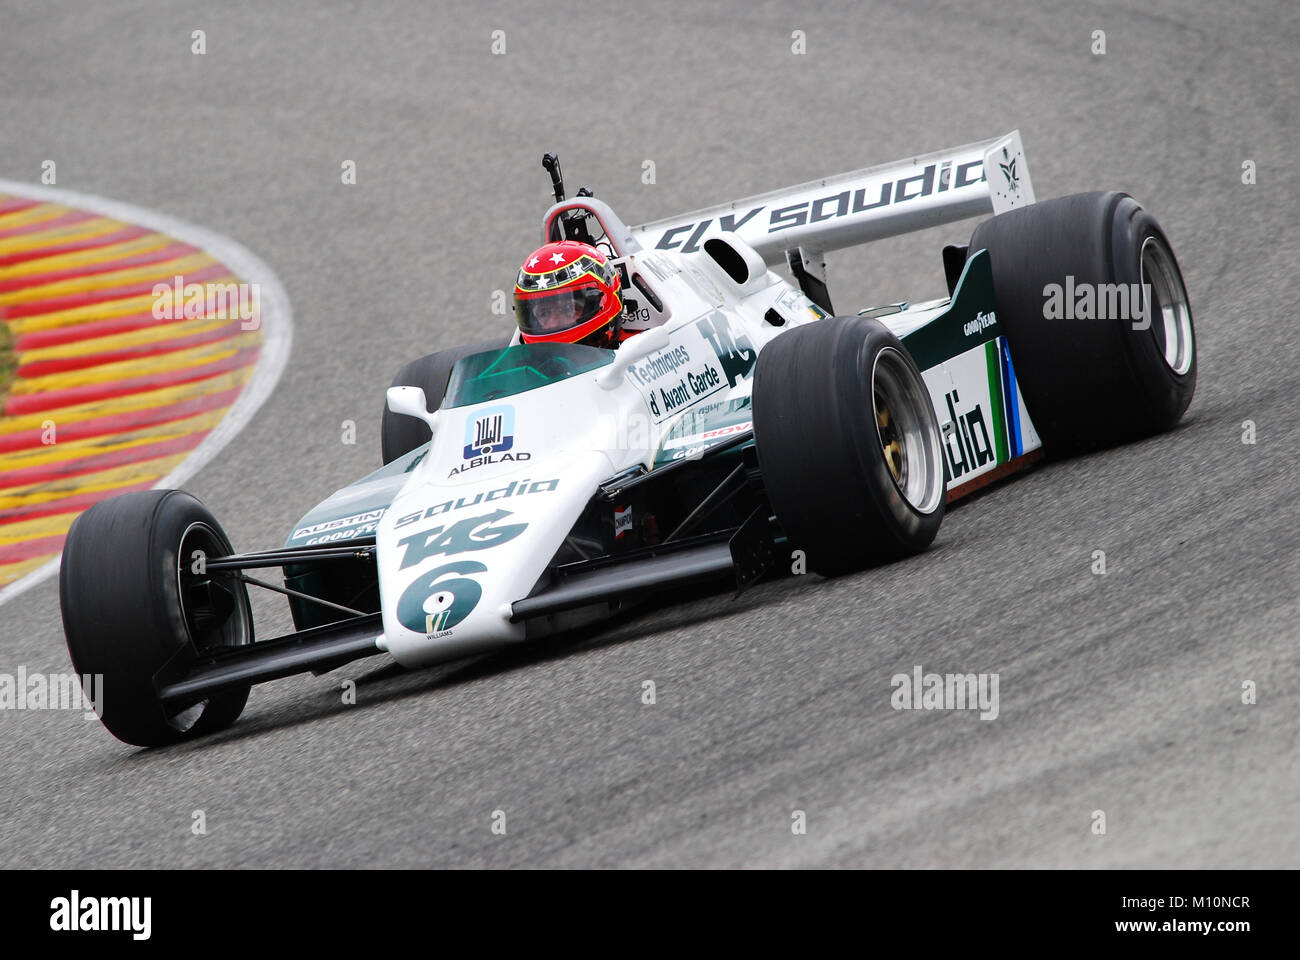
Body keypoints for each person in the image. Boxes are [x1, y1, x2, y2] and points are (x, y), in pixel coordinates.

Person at [513, 240, 628, 348]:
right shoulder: (522, 365)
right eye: (544, 313)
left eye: (567, 309)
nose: (553, 323)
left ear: (601, 302)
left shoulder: (638, 352)